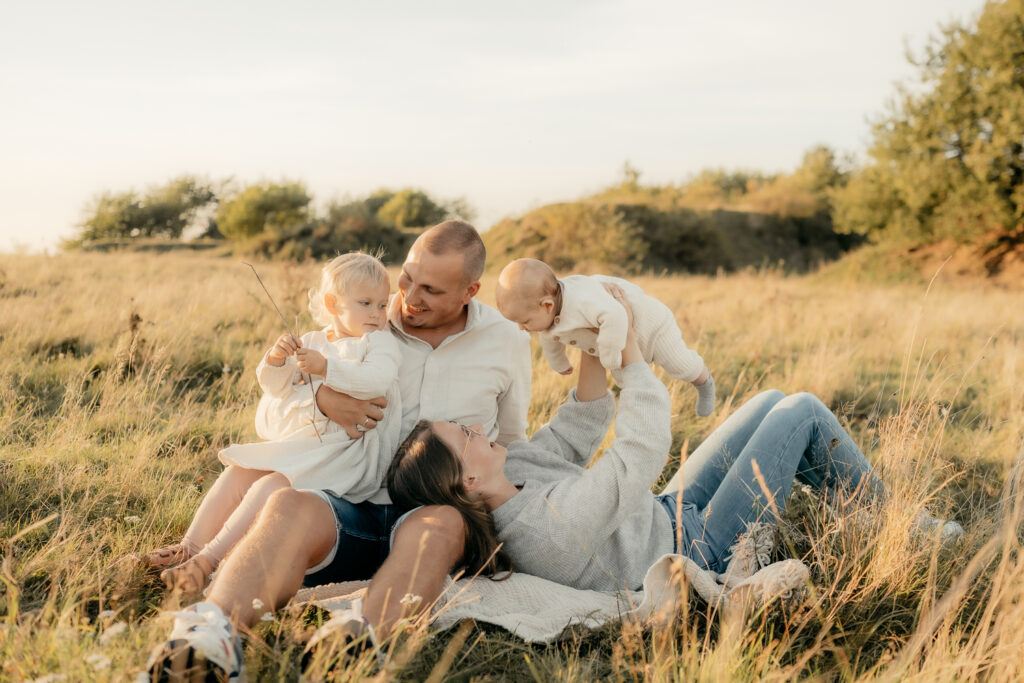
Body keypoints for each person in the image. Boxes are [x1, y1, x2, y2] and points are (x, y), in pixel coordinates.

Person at [146, 221, 531, 681]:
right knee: (288, 502)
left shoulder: (507, 341)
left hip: (434, 507)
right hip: (346, 499)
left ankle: (360, 640)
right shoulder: (363, 315)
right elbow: (272, 420)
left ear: (470, 290)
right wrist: (321, 400)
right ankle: (210, 638)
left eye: (430, 289)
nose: (407, 297)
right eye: (407, 277)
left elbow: (510, 440)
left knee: (442, 522)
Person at [388, 290, 964, 593]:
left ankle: (854, 508)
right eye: (467, 435)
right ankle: (899, 527)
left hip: (667, 513)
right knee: (804, 413)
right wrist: (634, 361)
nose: (480, 429)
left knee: (769, 399)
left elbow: (579, 425)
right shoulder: (544, 530)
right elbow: (636, 454)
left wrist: (593, 334)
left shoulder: (513, 470)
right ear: (467, 478)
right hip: (700, 547)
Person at [142, 252, 403, 595]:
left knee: (273, 485)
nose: (377, 313)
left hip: (348, 456)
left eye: (383, 305)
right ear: (333, 304)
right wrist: (277, 360)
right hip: (304, 447)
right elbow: (277, 390)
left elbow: (376, 381)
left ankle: (207, 562)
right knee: (239, 472)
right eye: (366, 303)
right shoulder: (312, 341)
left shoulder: (378, 343)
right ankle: (188, 549)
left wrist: (326, 369)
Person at [495, 258, 716, 416]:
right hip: (616, 341)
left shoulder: (582, 299)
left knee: (680, 365)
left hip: (651, 327)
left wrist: (610, 355)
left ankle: (704, 381)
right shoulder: (547, 318)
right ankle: (651, 410)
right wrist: (559, 363)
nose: (522, 328)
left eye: (524, 321)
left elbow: (616, 315)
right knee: (627, 383)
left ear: (547, 305)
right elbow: (550, 339)